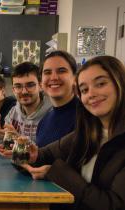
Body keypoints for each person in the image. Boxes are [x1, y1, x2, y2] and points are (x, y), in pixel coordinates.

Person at [21, 56, 125, 210]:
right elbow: (46, 154)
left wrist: (56, 172)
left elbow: (114, 205)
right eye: (84, 89)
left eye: (101, 83)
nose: (91, 94)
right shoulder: (89, 131)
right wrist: (30, 154)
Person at [36, 50, 79, 147]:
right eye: (47, 72)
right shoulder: (44, 120)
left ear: (75, 78)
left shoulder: (85, 118)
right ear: (41, 82)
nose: (54, 77)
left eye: (62, 71)